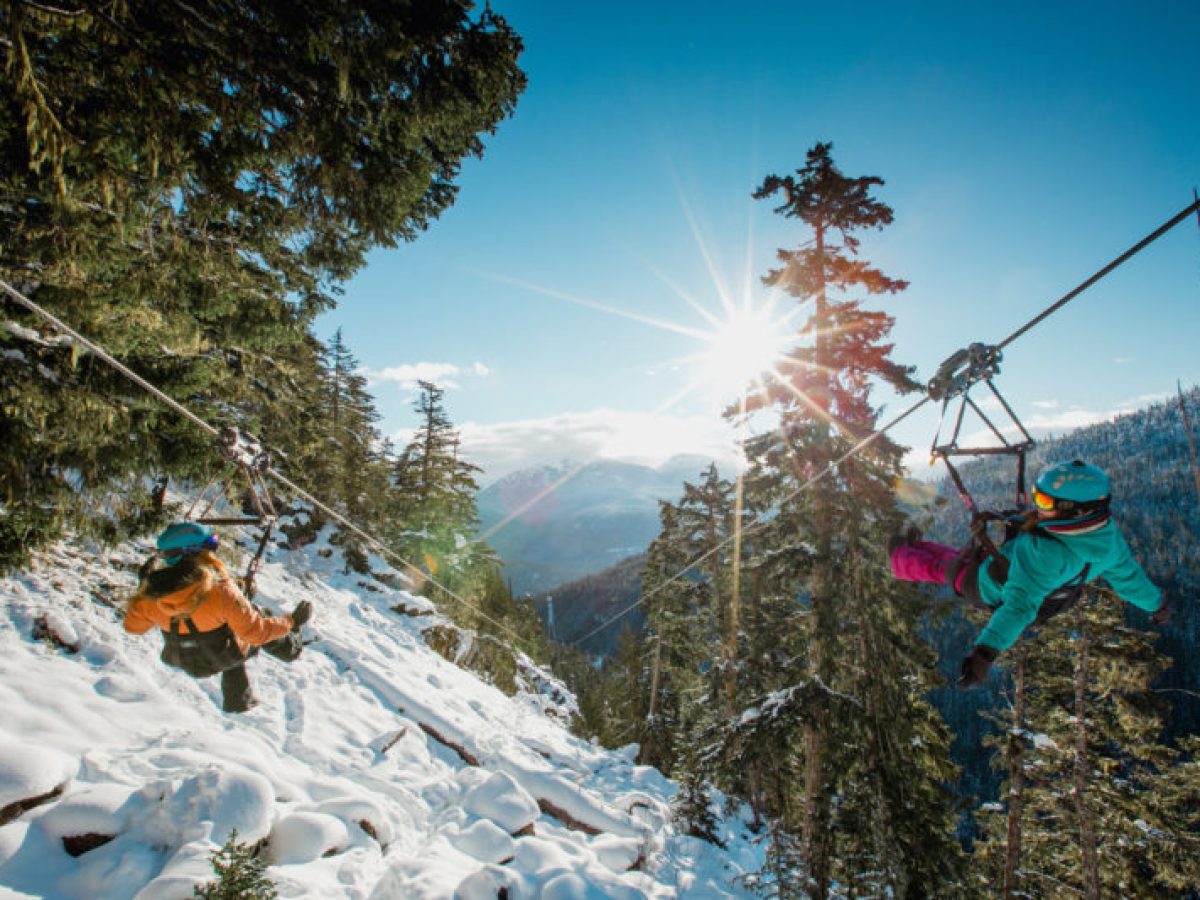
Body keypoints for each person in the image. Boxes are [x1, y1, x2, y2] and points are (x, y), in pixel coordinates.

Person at [888, 460, 1169, 688]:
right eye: (1038, 497)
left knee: (945, 569)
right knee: (957, 557)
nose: (1038, 505)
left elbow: (1019, 607)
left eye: (1045, 501)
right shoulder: (1106, 539)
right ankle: (917, 546)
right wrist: (1156, 605)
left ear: (1074, 510)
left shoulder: (1046, 555)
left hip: (990, 587)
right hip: (1008, 568)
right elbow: (1129, 579)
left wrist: (985, 652)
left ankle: (899, 560)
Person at [125, 522, 313, 712]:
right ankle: (292, 649)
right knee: (254, 618)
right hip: (222, 656)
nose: (214, 551)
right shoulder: (221, 592)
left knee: (226, 628)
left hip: (183, 658)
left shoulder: (152, 595)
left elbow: (133, 627)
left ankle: (239, 699)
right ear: (197, 552)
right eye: (212, 545)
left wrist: (143, 589)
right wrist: (292, 621)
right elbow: (257, 634)